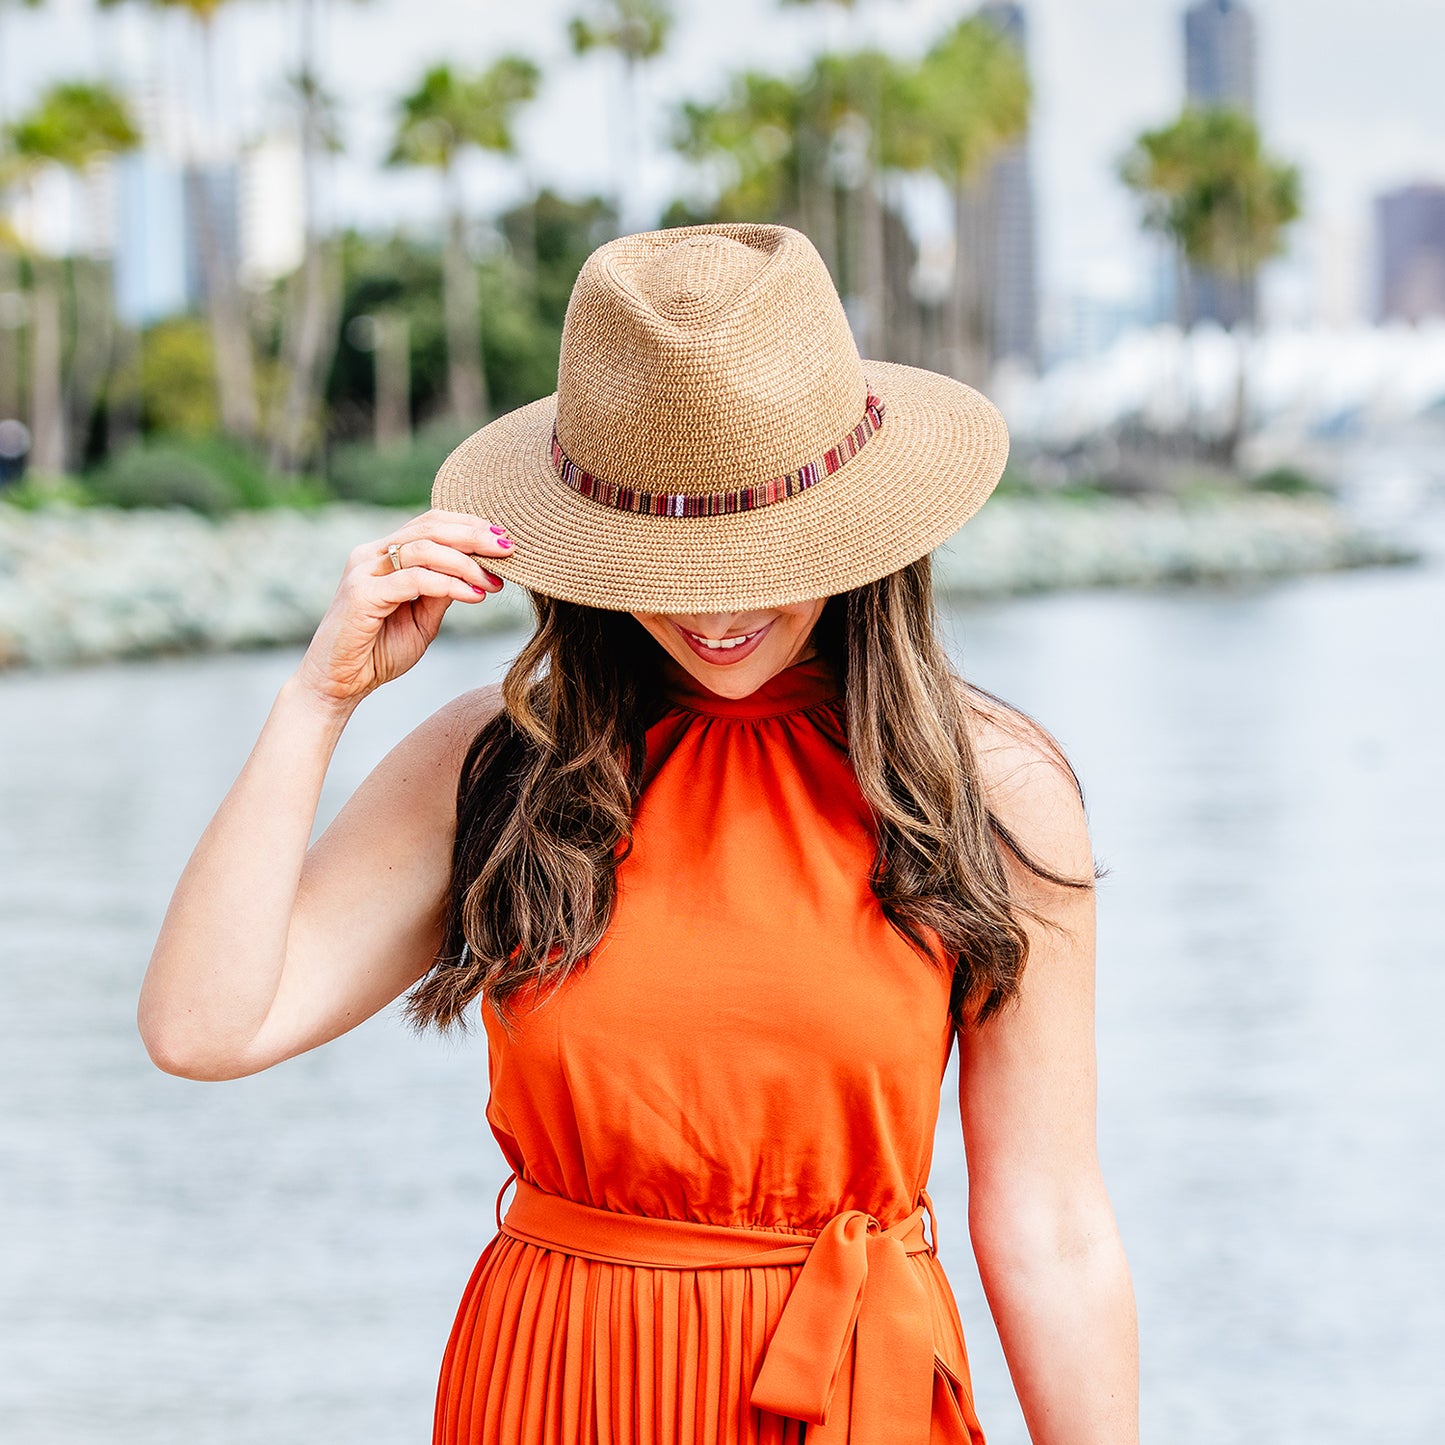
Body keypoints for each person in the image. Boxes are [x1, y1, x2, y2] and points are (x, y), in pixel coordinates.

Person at [139, 223, 1138, 1445]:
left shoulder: (986, 787)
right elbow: (203, 1025)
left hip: (850, 1397)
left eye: (757, 551)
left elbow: (1048, 1222)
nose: (715, 611)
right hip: (553, 1390)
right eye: (665, 551)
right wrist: (319, 700)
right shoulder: (496, 760)